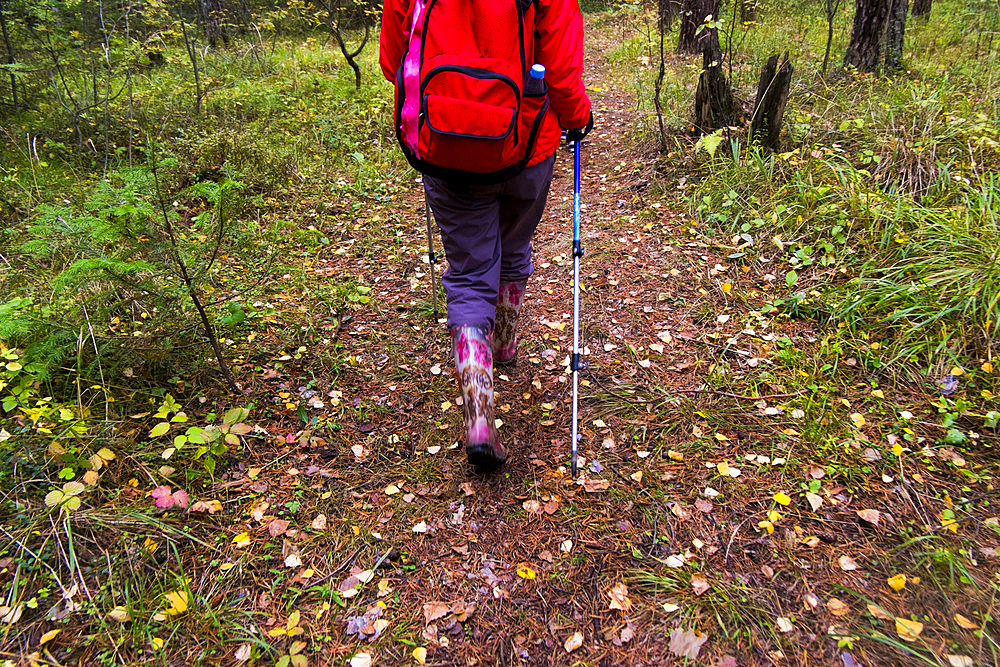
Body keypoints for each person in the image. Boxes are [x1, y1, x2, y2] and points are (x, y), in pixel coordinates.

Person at [379, 0, 594, 469]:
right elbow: (559, 67)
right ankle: (503, 343)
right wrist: (577, 115)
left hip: (445, 139)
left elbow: (393, 60)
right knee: (514, 243)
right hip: (528, 142)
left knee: (472, 271)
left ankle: (479, 415)